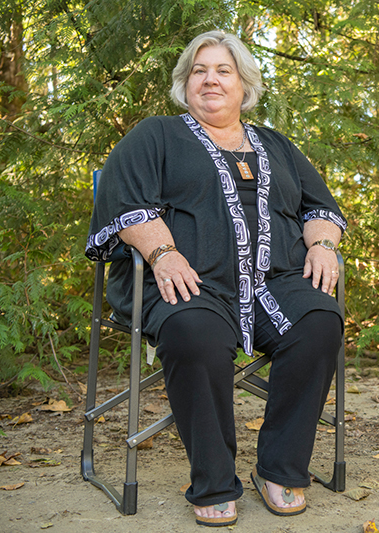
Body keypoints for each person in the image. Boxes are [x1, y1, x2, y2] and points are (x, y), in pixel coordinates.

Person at [86, 31, 346, 526]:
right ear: (184, 84)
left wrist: (323, 243)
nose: (210, 79)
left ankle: (280, 468)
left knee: (320, 320)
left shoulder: (277, 145)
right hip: (186, 281)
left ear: (244, 85)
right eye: (198, 71)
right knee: (194, 331)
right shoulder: (157, 134)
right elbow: (126, 202)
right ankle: (213, 480)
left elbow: (321, 208)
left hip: (275, 282)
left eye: (223, 70)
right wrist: (163, 252)